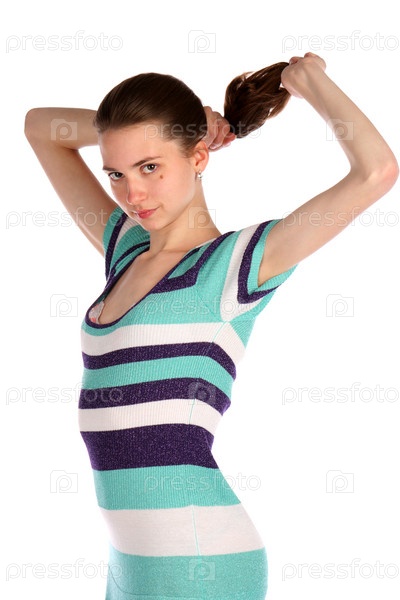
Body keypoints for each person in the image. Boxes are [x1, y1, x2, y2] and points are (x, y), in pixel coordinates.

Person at [25, 52, 398, 600]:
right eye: (116, 173)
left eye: (150, 167)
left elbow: (377, 171)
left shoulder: (233, 266)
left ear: (198, 157)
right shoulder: (125, 250)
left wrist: (309, 81)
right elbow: (39, 127)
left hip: (201, 561)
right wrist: (169, 127)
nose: (132, 195)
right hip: (126, 564)